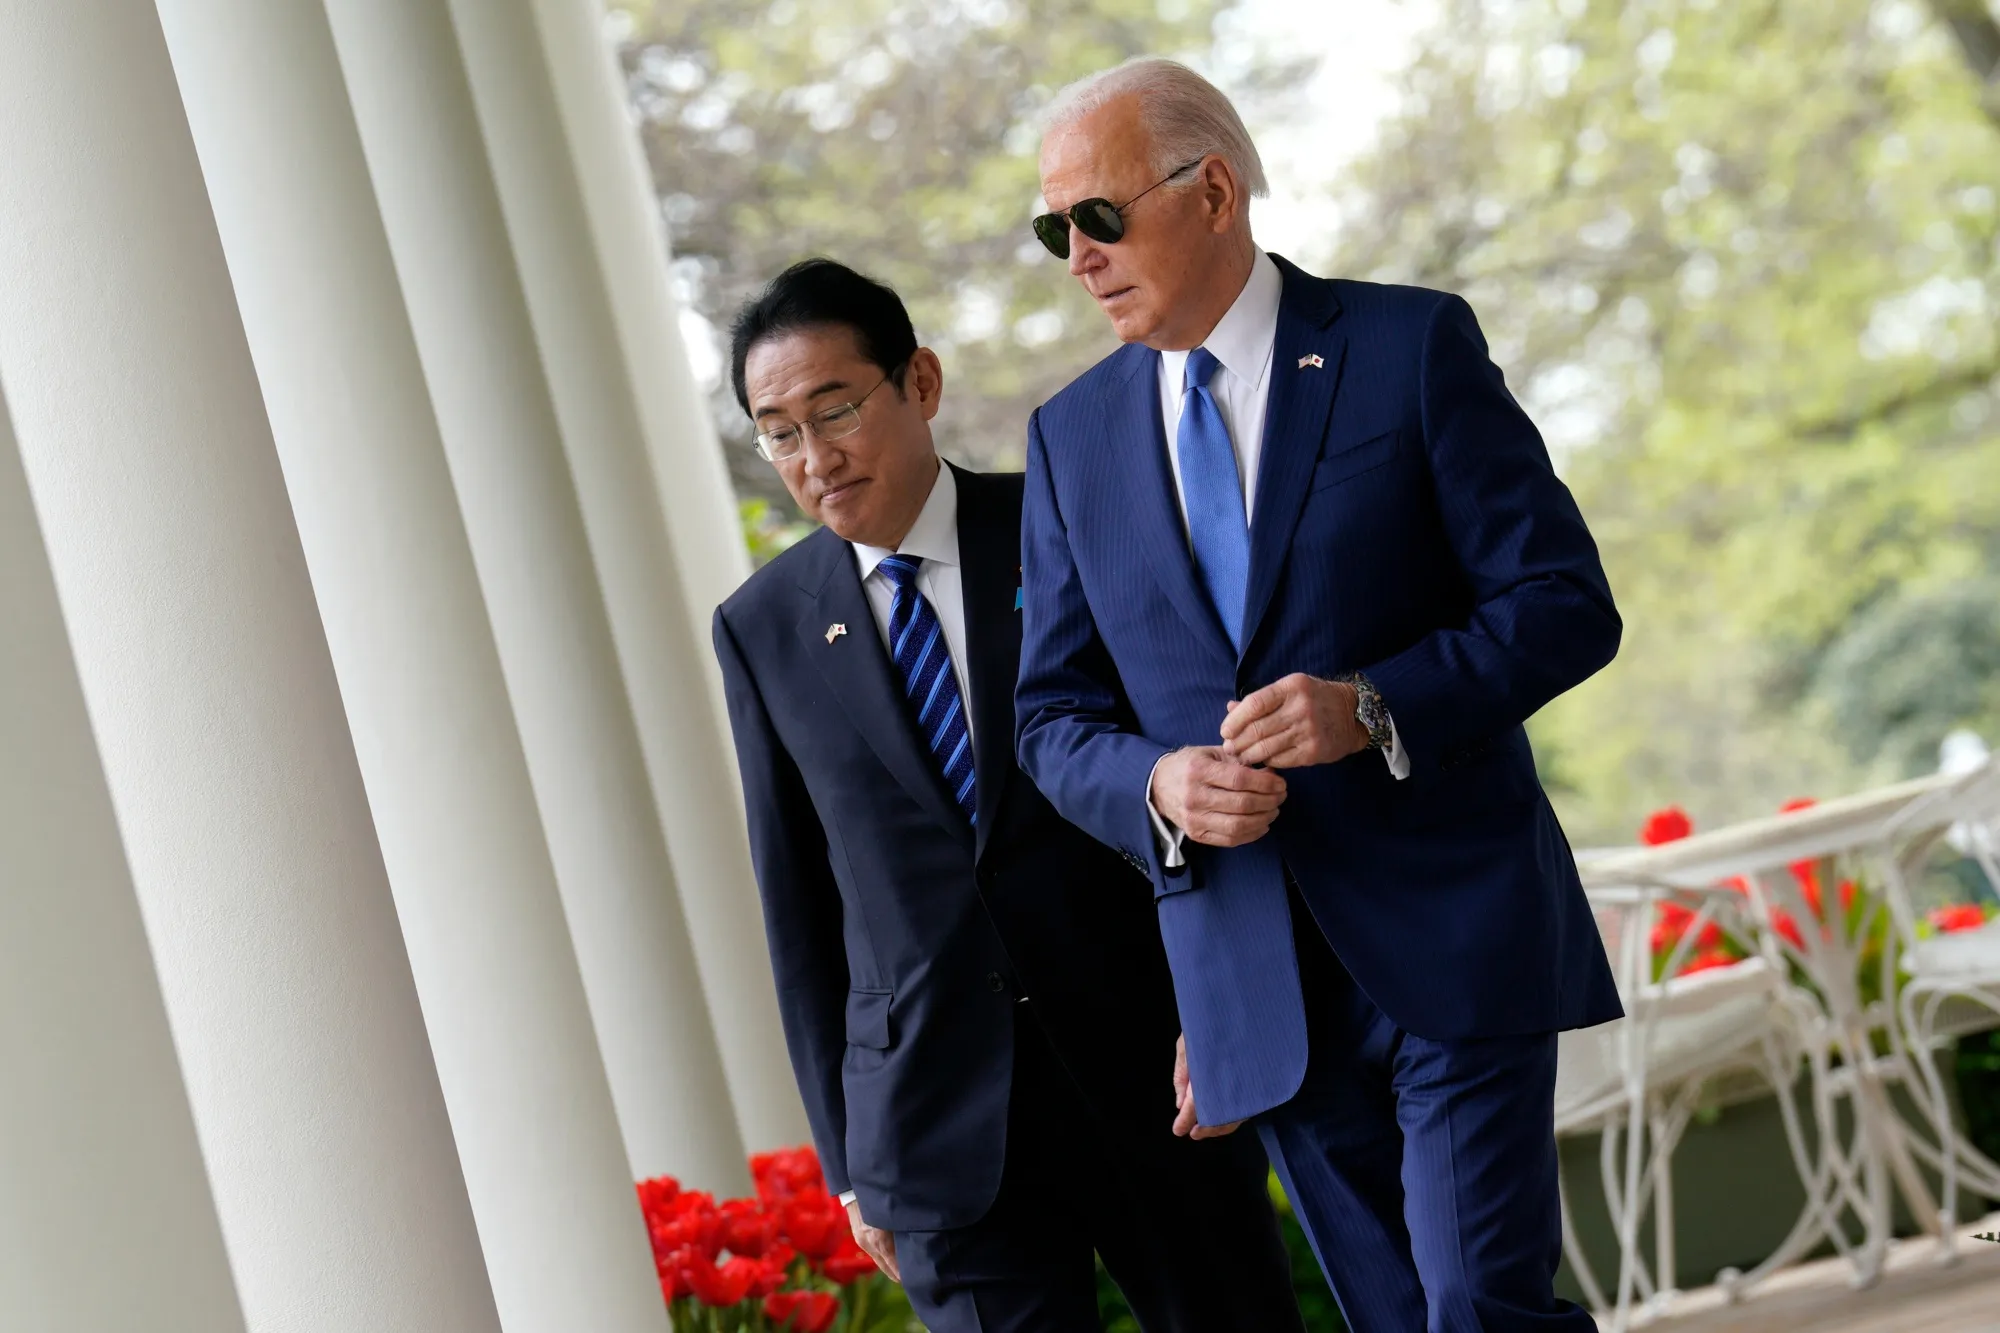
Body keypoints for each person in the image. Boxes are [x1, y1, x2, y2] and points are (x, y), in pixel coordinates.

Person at [1014, 58, 1624, 1332]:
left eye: (1098, 218)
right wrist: (1154, 782)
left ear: (1214, 190)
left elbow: (1563, 601)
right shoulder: (1068, 441)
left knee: (1475, 1306)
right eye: (1051, 230)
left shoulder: (1406, 347)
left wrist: (1374, 704)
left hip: (1452, 934)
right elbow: (1050, 720)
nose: (1075, 257)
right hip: (1254, 974)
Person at [711, 258, 1303, 1333]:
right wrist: (850, 1161)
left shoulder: (1068, 522)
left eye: (834, 408)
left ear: (919, 382)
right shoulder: (761, 628)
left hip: (1145, 1072)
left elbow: (1183, 768)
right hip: (933, 1123)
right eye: (779, 431)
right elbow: (797, 908)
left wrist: (1216, 1010)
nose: (814, 455)